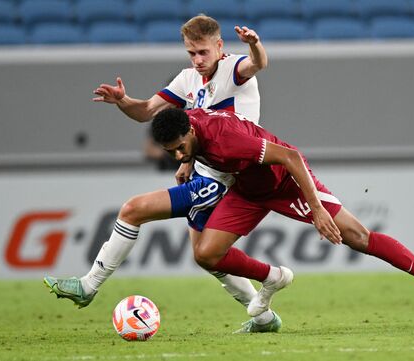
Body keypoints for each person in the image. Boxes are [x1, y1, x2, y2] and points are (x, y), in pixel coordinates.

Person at [44, 15, 280, 334]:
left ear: (219, 47)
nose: (197, 60)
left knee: (133, 210)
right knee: (207, 256)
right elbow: (145, 110)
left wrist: (254, 44)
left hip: (226, 177)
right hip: (203, 173)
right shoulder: (186, 80)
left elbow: (258, 64)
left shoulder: (233, 69)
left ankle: (88, 286)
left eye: (203, 52)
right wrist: (123, 101)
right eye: (191, 53)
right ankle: (264, 318)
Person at [148, 107, 414, 321]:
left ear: (190, 130)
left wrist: (316, 209)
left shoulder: (226, 141)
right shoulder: (186, 125)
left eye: (180, 147)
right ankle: (273, 278)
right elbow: (183, 131)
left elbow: (290, 156)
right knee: (205, 254)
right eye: (171, 151)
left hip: (285, 183)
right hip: (247, 190)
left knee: (357, 237)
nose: (177, 154)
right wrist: (187, 159)